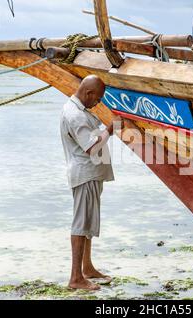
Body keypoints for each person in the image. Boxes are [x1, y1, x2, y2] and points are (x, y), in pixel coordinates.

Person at [60, 75, 123, 290]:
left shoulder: (79, 110)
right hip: (85, 174)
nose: (98, 103)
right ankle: (75, 278)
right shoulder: (75, 115)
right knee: (81, 223)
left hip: (91, 173)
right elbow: (91, 148)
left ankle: (87, 268)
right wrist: (109, 130)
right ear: (88, 93)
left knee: (87, 222)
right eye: (97, 99)